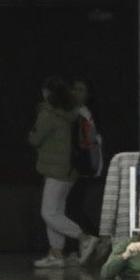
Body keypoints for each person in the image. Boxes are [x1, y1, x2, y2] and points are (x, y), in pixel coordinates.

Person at [29, 76, 101, 268]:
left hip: (55, 169)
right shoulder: (74, 111)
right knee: (56, 211)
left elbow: (35, 139)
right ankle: (56, 253)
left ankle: (84, 238)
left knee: (48, 213)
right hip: (71, 169)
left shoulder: (48, 112)